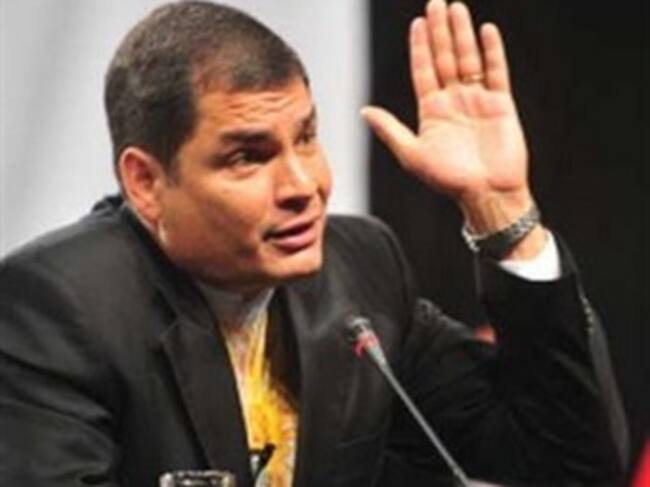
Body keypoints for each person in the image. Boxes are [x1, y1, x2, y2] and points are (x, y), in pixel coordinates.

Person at [0, 1, 627, 486]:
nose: (303, 186)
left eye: (306, 138)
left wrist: (500, 208)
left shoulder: (360, 271)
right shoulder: (58, 310)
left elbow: (567, 462)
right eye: (248, 157)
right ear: (146, 182)